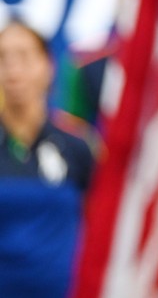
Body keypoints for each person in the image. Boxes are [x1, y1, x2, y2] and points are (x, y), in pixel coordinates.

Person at [0, 19, 97, 298]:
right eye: (3, 58)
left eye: (23, 56)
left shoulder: (78, 146)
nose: (12, 69)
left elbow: (99, 226)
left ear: (48, 66)